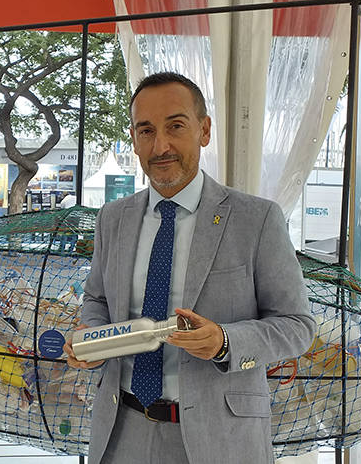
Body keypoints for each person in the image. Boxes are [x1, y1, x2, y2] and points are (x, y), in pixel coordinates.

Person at [63, 72, 316, 464]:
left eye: (175, 126)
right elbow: (97, 297)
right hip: (121, 431)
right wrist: (94, 340)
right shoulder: (113, 219)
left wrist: (225, 342)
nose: (160, 145)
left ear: (204, 130)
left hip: (220, 438)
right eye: (145, 130)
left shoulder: (256, 219)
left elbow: (297, 326)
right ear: (133, 139)